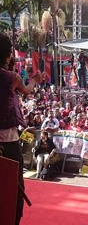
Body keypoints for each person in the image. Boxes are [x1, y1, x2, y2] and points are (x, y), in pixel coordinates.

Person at [0, 33, 44, 225]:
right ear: (8, 55)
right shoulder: (12, 77)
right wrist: (35, 79)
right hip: (8, 142)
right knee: (15, 187)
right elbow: (26, 90)